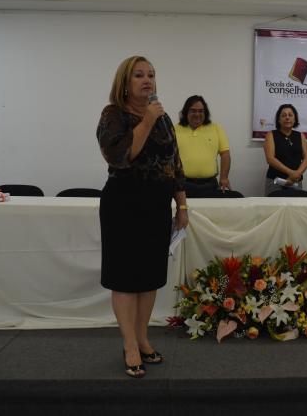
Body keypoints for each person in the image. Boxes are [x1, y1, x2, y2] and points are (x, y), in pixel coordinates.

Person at [96, 55, 188, 379]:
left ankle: (143, 337)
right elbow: (120, 156)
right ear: (125, 82)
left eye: (151, 74)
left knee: (149, 277)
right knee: (124, 277)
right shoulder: (113, 115)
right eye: (139, 75)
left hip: (156, 205)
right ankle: (129, 344)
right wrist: (147, 120)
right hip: (123, 204)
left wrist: (182, 206)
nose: (147, 80)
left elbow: (174, 163)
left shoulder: (163, 117)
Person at [174, 95, 232, 196]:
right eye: (193, 111)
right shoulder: (174, 129)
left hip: (210, 185)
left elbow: (225, 154)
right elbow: (168, 157)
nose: (197, 114)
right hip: (183, 185)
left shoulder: (216, 128)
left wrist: (224, 177)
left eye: (201, 111)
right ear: (186, 112)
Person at [263, 103, 307, 195]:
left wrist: (296, 174)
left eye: (290, 115)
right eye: (284, 115)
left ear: (295, 119)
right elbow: (270, 159)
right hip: (276, 181)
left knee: (295, 204)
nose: (287, 117)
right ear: (279, 120)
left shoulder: (300, 136)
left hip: (295, 181)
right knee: (274, 204)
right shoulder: (271, 135)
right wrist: (291, 173)